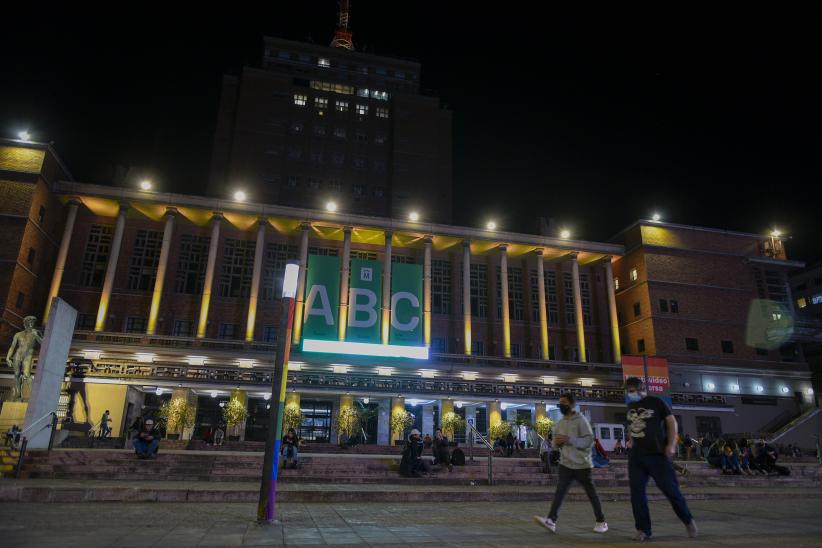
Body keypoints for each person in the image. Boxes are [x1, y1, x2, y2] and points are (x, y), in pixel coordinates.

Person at [624, 377, 697, 541]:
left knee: (671, 491)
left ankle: (688, 520)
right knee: (637, 494)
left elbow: (671, 422)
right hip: (636, 456)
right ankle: (643, 529)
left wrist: (671, 444)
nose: (629, 394)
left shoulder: (657, 402)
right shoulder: (630, 406)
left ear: (641, 389)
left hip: (657, 454)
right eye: (628, 391)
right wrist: (631, 440)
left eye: (631, 391)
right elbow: (632, 425)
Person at [533, 393, 608, 535]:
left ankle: (601, 521)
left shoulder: (581, 420)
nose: (561, 405)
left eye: (564, 403)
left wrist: (570, 439)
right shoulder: (560, 422)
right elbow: (554, 443)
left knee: (591, 493)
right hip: (566, 463)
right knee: (560, 492)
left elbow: (589, 441)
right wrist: (557, 442)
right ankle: (551, 521)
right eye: (560, 402)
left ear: (571, 404)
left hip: (582, 464)